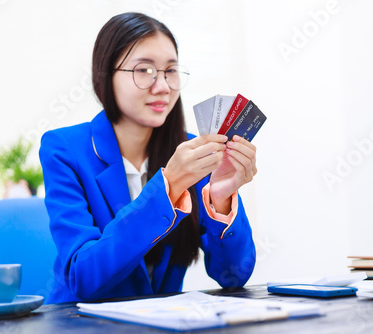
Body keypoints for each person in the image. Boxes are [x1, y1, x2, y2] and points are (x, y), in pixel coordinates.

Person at [39, 12, 257, 304]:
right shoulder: (65, 149)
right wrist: (169, 185)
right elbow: (83, 277)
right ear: (105, 75)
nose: (163, 86)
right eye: (144, 70)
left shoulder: (191, 150)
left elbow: (233, 277)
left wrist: (221, 200)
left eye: (171, 70)